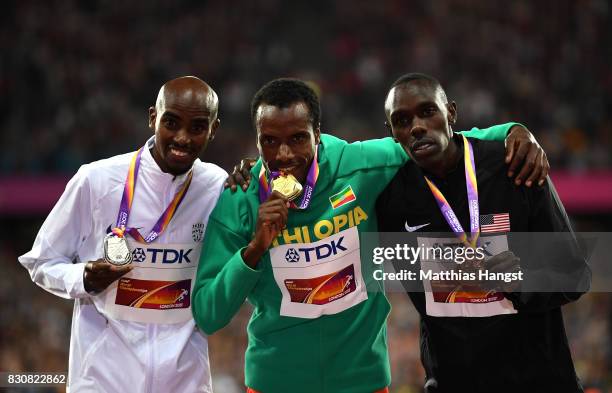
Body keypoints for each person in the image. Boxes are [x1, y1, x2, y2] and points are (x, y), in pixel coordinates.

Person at [192, 78, 548, 393]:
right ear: (255, 141)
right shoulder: (239, 200)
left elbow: (437, 139)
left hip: (363, 382)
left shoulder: (360, 165)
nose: (284, 154)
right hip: (274, 383)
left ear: (317, 133)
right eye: (269, 141)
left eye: (298, 138)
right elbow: (208, 314)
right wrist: (255, 248)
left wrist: (511, 131)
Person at [376, 73, 590, 393]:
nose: (416, 126)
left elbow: (575, 276)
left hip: (539, 380)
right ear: (391, 133)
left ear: (451, 113)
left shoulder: (515, 165)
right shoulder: (391, 198)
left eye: (427, 111)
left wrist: (520, 280)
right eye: (402, 120)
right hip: (452, 382)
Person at [19, 76, 227, 393]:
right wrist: (83, 278)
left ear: (213, 129)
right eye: (171, 122)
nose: (182, 138)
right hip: (104, 376)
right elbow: (41, 261)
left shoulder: (217, 185)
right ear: (152, 118)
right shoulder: (97, 180)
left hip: (185, 379)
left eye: (197, 127)